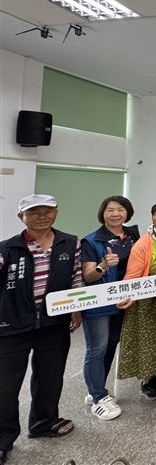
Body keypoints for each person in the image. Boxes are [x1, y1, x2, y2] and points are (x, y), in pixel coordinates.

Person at [0, 195, 82, 463]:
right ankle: (3, 438)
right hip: (12, 325)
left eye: (48, 211)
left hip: (54, 323)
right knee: (5, 384)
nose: (42, 216)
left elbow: (76, 277)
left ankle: (43, 422)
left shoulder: (69, 242)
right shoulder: (7, 248)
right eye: (34, 212)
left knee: (50, 378)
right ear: (21, 217)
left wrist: (76, 308)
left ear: (56, 213)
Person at [81, 195, 139, 421]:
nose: (116, 214)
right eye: (110, 210)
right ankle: (97, 397)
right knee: (97, 347)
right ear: (102, 213)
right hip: (99, 301)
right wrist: (103, 265)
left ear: (128, 212)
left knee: (111, 344)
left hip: (124, 299)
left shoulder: (132, 235)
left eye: (121, 209)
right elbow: (88, 276)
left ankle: (97, 389)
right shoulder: (91, 240)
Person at [117, 200, 156, 401]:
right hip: (147, 298)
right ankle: (148, 382)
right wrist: (126, 295)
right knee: (150, 341)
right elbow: (132, 274)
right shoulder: (144, 242)